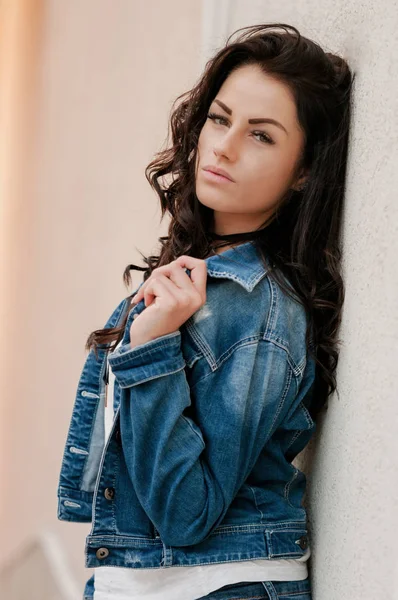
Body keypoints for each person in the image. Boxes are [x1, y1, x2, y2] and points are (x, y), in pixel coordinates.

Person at [57, 22, 354, 600]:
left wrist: (149, 347)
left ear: (304, 172)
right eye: (220, 119)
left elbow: (184, 513)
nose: (224, 145)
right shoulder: (200, 278)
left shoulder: (260, 313)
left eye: (262, 136)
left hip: (214, 586)